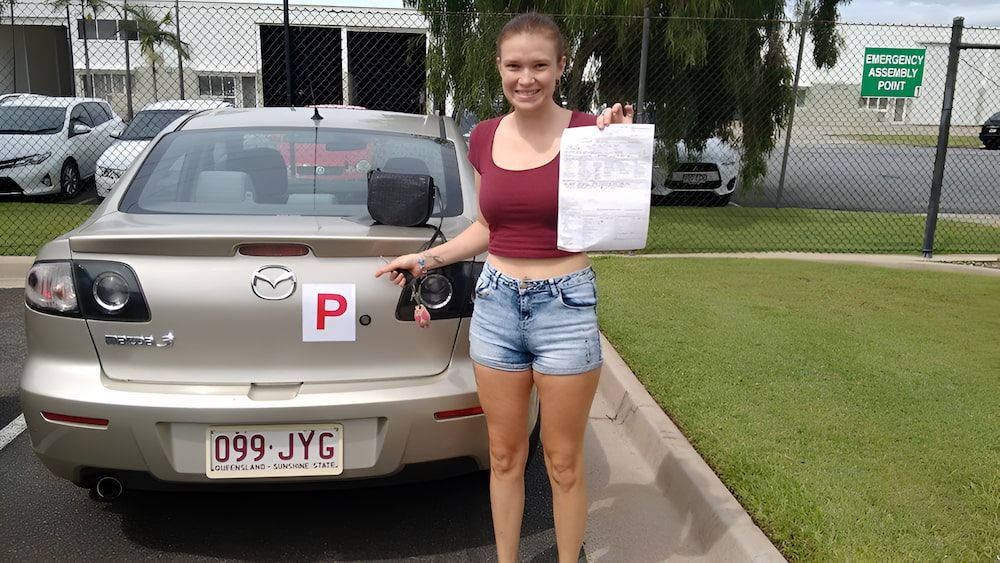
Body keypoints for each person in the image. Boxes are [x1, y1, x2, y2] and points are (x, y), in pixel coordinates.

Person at [375, 12, 632, 563]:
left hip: (565, 305)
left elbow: (620, 205)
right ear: (499, 68)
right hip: (495, 304)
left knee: (562, 462)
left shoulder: (591, 132)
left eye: (540, 64)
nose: (526, 77)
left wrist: (620, 135)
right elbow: (488, 230)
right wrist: (424, 259)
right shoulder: (486, 136)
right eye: (514, 65)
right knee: (504, 456)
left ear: (562, 67)